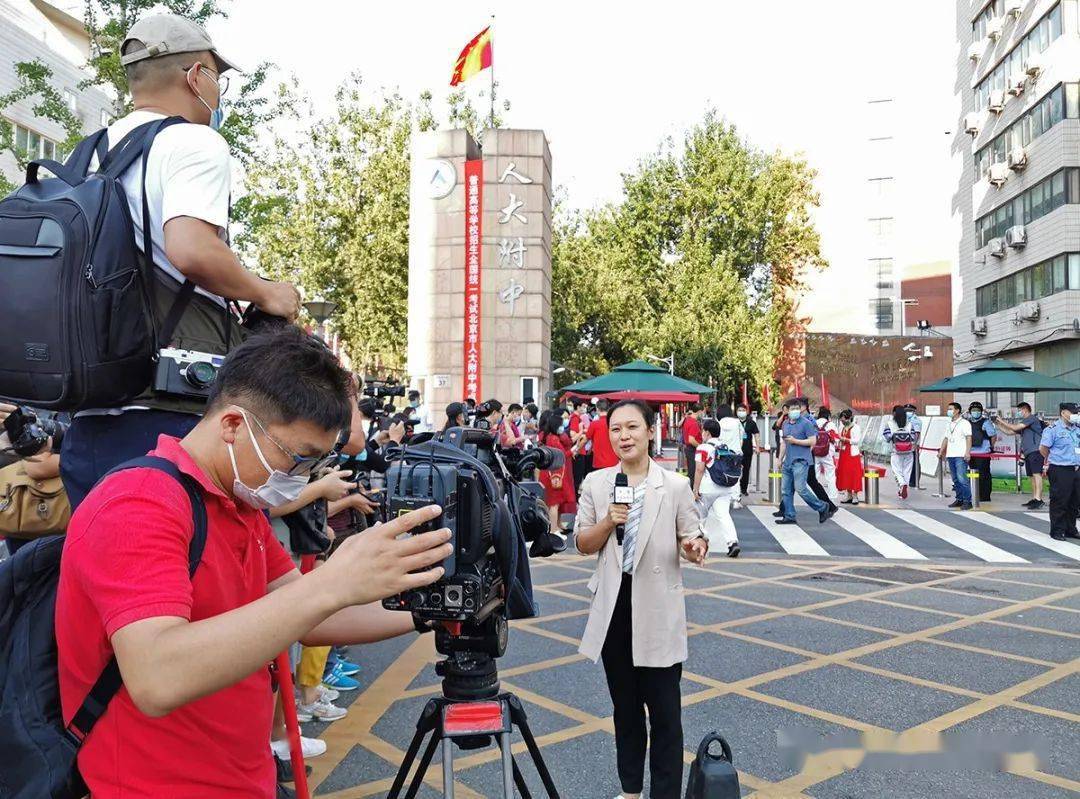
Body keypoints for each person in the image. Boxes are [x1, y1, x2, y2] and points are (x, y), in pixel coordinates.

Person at [55, 327, 453, 799]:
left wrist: (436, 610)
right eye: (297, 458)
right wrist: (332, 583)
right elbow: (156, 676)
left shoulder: (238, 504)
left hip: (243, 776)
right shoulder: (139, 503)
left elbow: (309, 617)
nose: (300, 478)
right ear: (232, 425)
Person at [59, 14, 303, 511]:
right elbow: (190, 248)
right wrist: (266, 291)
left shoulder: (87, 156)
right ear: (196, 76)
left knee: (101, 573)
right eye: (218, 75)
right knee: (179, 575)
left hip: (88, 416)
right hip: (165, 415)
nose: (219, 89)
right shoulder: (193, 141)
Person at [574, 400, 707, 799]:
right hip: (615, 610)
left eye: (632, 427)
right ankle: (630, 790)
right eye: (615, 429)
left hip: (658, 610)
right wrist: (608, 520)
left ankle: (665, 794)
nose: (623, 436)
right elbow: (582, 543)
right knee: (625, 711)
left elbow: (693, 535)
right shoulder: (597, 484)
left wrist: (695, 546)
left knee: (666, 714)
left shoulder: (675, 485)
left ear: (651, 431)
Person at [692, 412, 742, 558]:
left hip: (707, 488)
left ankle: (699, 544)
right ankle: (733, 543)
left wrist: (695, 489)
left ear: (707, 432)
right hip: (725, 487)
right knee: (724, 516)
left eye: (702, 431)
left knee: (699, 516)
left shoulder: (703, 448)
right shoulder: (724, 447)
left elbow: (699, 469)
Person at [777, 403, 832, 525]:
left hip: (801, 461)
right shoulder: (785, 424)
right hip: (788, 461)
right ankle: (789, 515)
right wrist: (779, 458)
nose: (795, 411)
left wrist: (796, 441)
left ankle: (822, 507)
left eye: (797, 408)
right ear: (787, 411)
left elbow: (813, 441)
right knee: (786, 490)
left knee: (801, 489)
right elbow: (784, 443)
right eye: (792, 409)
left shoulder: (806, 423)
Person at [1039, 402, 1080, 541]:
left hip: (1077, 468)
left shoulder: (1077, 428)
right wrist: (1055, 459)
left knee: (1075, 501)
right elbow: (1043, 449)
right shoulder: (1053, 429)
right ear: (1063, 413)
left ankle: (1070, 528)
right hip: (1060, 468)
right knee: (1060, 500)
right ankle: (1057, 530)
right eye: (1073, 412)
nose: (1076, 415)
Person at [995, 402, 1046, 509]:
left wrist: (1001, 420)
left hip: (1036, 451)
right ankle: (1035, 498)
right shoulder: (1024, 424)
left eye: (1019, 410)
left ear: (1025, 409)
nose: (1018, 413)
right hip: (1028, 453)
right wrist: (997, 423)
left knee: (1037, 475)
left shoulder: (1031, 419)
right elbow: (1009, 431)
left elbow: (1014, 426)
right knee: (1032, 476)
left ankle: (1039, 499)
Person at [537, 411, 576, 538]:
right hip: (553, 473)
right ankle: (553, 530)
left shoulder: (551, 437)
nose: (563, 426)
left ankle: (556, 526)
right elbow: (561, 455)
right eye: (561, 424)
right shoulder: (553, 439)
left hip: (553, 472)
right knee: (554, 503)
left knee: (557, 501)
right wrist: (573, 450)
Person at [938, 402, 973, 510]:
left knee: (962, 478)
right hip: (951, 455)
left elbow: (968, 438)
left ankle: (968, 501)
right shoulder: (949, 423)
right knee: (955, 479)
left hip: (960, 455)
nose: (949, 411)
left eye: (951, 409)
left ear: (957, 410)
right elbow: (946, 438)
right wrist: (941, 451)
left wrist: (967, 452)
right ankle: (959, 499)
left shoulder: (965, 423)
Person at [882, 405, 917, 500]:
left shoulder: (889, 423)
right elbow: (913, 437)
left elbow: (887, 437)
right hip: (909, 452)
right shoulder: (909, 424)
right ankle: (903, 487)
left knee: (897, 471)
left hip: (896, 452)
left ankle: (902, 484)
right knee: (907, 471)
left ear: (894, 413)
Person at [967, 401, 997, 503]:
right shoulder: (967, 422)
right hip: (971, 453)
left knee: (984, 475)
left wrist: (991, 447)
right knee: (973, 474)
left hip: (983, 454)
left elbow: (993, 436)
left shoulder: (986, 422)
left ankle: (984, 496)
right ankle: (975, 494)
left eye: (978, 410)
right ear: (970, 411)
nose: (976, 412)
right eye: (973, 410)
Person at [835, 409, 864, 504]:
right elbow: (839, 436)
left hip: (852, 453)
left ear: (849, 418)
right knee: (845, 473)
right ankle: (849, 494)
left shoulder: (856, 427)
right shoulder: (842, 427)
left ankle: (855, 495)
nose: (842, 420)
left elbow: (857, 440)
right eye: (841, 419)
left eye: (844, 418)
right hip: (844, 453)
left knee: (854, 473)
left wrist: (845, 439)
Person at [811, 406, 840, 504]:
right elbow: (836, 439)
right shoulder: (831, 424)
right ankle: (832, 498)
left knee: (814, 475)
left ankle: (814, 496)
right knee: (830, 475)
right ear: (828, 415)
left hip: (815, 452)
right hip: (827, 453)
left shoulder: (814, 423)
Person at [587, 398, 620, 470]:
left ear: (597, 409)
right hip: (614, 461)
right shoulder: (615, 423)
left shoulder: (594, 424)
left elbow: (586, 439)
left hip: (599, 462)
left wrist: (577, 449)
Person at [736, 404, 760, 498]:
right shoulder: (734, 422)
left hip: (747, 450)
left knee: (746, 470)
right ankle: (735, 488)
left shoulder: (751, 423)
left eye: (743, 410)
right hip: (736, 450)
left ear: (746, 412)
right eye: (739, 410)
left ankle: (743, 488)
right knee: (735, 469)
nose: (741, 412)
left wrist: (757, 447)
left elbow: (756, 435)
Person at [681, 403, 704, 485]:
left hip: (688, 449)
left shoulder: (688, 420)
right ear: (699, 412)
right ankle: (692, 493)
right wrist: (700, 446)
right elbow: (691, 439)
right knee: (693, 473)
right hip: (692, 449)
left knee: (691, 471)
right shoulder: (694, 423)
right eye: (702, 412)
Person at [904, 404, 922, 487]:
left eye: (910, 411)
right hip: (906, 445)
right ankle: (908, 479)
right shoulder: (906, 419)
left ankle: (914, 481)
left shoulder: (915, 420)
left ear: (914, 411)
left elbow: (917, 433)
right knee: (908, 462)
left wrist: (914, 444)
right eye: (906, 410)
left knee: (914, 462)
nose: (908, 412)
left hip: (913, 445)